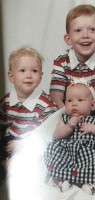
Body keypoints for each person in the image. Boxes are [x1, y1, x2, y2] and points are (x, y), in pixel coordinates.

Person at [44, 78, 95, 194]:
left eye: (80, 100)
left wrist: (94, 129)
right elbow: (56, 135)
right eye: (69, 100)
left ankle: (92, 185)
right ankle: (61, 181)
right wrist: (69, 126)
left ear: (92, 105)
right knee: (54, 154)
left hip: (91, 153)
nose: (74, 103)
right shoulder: (65, 118)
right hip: (68, 152)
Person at [0, 45, 57, 183]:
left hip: (32, 142)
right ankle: (6, 165)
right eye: (22, 70)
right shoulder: (7, 101)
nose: (29, 75)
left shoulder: (45, 105)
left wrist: (22, 144)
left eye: (34, 71)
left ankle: (12, 168)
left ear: (41, 76)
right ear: (11, 76)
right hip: (9, 141)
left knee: (38, 158)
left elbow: (47, 136)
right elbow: (2, 126)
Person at [50, 4, 95, 109]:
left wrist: (84, 114)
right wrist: (67, 115)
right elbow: (56, 97)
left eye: (92, 29)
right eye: (78, 30)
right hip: (66, 111)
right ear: (68, 39)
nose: (85, 35)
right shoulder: (61, 61)